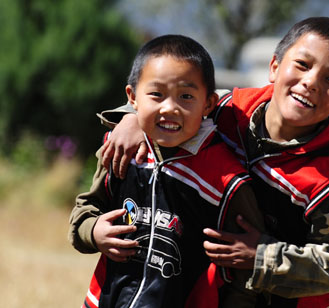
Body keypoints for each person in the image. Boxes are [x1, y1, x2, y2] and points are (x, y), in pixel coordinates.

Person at [98, 17, 329, 308]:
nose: (310, 82)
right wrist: (128, 119)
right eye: (303, 65)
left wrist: (261, 256)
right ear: (274, 67)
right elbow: (175, 105)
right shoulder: (228, 112)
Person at [68, 34, 264, 308]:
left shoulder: (227, 181)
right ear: (133, 98)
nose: (170, 108)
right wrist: (93, 231)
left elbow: (245, 269)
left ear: (208, 104)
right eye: (157, 94)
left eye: (186, 96)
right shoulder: (119, 150)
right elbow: (85, 210)